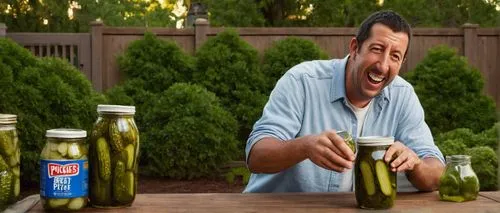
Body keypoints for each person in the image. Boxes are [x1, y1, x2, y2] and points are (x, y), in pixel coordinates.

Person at [244, 10, 445, 193]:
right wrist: (305, 146)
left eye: (395, 56)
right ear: (355, 48)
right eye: (377, 49)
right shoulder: (302, 81)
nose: (383, 66)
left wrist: (416, 164)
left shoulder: (403, 96)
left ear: (402, 62)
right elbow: (257, 156)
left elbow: (436, 173)